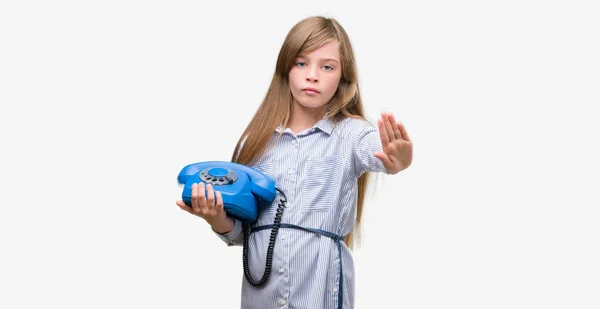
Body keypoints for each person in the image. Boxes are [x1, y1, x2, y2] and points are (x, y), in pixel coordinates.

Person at [176, 15, 413, 309]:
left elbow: (377, 151)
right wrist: (216, 218)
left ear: (343, 77)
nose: (312, 75)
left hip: (320, 294)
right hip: (261, 297)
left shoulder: (351, 133)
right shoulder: (256, 142)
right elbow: (246, 234)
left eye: (327, 66)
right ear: (286, 69)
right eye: (301, 63)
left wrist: (397, 159)